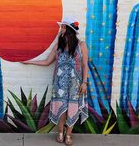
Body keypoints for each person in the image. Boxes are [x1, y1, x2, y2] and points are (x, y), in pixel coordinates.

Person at [22, 17, 89, 145]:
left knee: (73, 108)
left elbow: (85, 65)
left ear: (69, 30)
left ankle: (68, 134)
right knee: (61, 109)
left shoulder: (81, 45)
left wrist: (84, 82)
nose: (61, 29)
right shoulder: (59, 45)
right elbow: (47, 62)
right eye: (61, 27)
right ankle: (60, 132)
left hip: (75, 84)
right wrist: (29, 62)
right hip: (59, 85)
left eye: (63, 27)